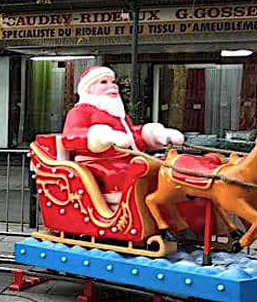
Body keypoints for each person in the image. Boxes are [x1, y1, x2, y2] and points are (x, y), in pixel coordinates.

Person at [61, 66, 184, 206]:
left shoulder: (118, 115)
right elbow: (70, 137)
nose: (112, 86)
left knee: (159, 170)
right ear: (88, 89)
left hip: (128, 158)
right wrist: (104, 136)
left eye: (113, 82)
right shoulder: (80, 111)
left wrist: (154, 134)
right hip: (97, 163)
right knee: (125, 173)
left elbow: (130, 134)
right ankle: (123, 209)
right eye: (103, 82)